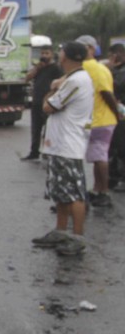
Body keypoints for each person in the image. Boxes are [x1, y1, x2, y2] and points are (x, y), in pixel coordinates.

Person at [32, 41, 94, 257]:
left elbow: (49, 106)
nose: (58, 54)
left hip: (69, 144)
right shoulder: (73, 78)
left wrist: (50, 91)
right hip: (60, 144)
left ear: (66, 56)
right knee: (60, 191)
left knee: (74, 193)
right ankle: (60, 231)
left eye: (61, 51)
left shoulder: (76, 81)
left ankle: (77, 237)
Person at [75, 35, 120, 208]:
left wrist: (116, 113)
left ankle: (103, 192)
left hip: (100, 120)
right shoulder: (96, 68)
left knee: (100, 157)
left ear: (91, 49)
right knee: (97, 156)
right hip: (96, 119)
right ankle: (98, 189)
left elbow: (106, 93)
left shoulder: (91, 68)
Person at [23, 45, 63, 161]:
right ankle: (34, 152)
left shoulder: (56, 68)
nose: (44, 56)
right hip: (36, 102)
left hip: (49, 103)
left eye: (47, 53)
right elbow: (27, 78)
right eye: (43, 53)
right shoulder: (38, 68)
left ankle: (49, 152)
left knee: (49, 129)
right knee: (35, 129)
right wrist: (37, 69)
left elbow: (60, 84)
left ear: (51, 55)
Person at [108, 43, 125, 189]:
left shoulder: (120, 71)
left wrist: (111, 70)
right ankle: (113, 177)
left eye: (113, 54)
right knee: (115, 145)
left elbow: (117, 86)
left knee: (120, 146)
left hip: (122, 111)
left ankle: (120, 178)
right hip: (117, 111)